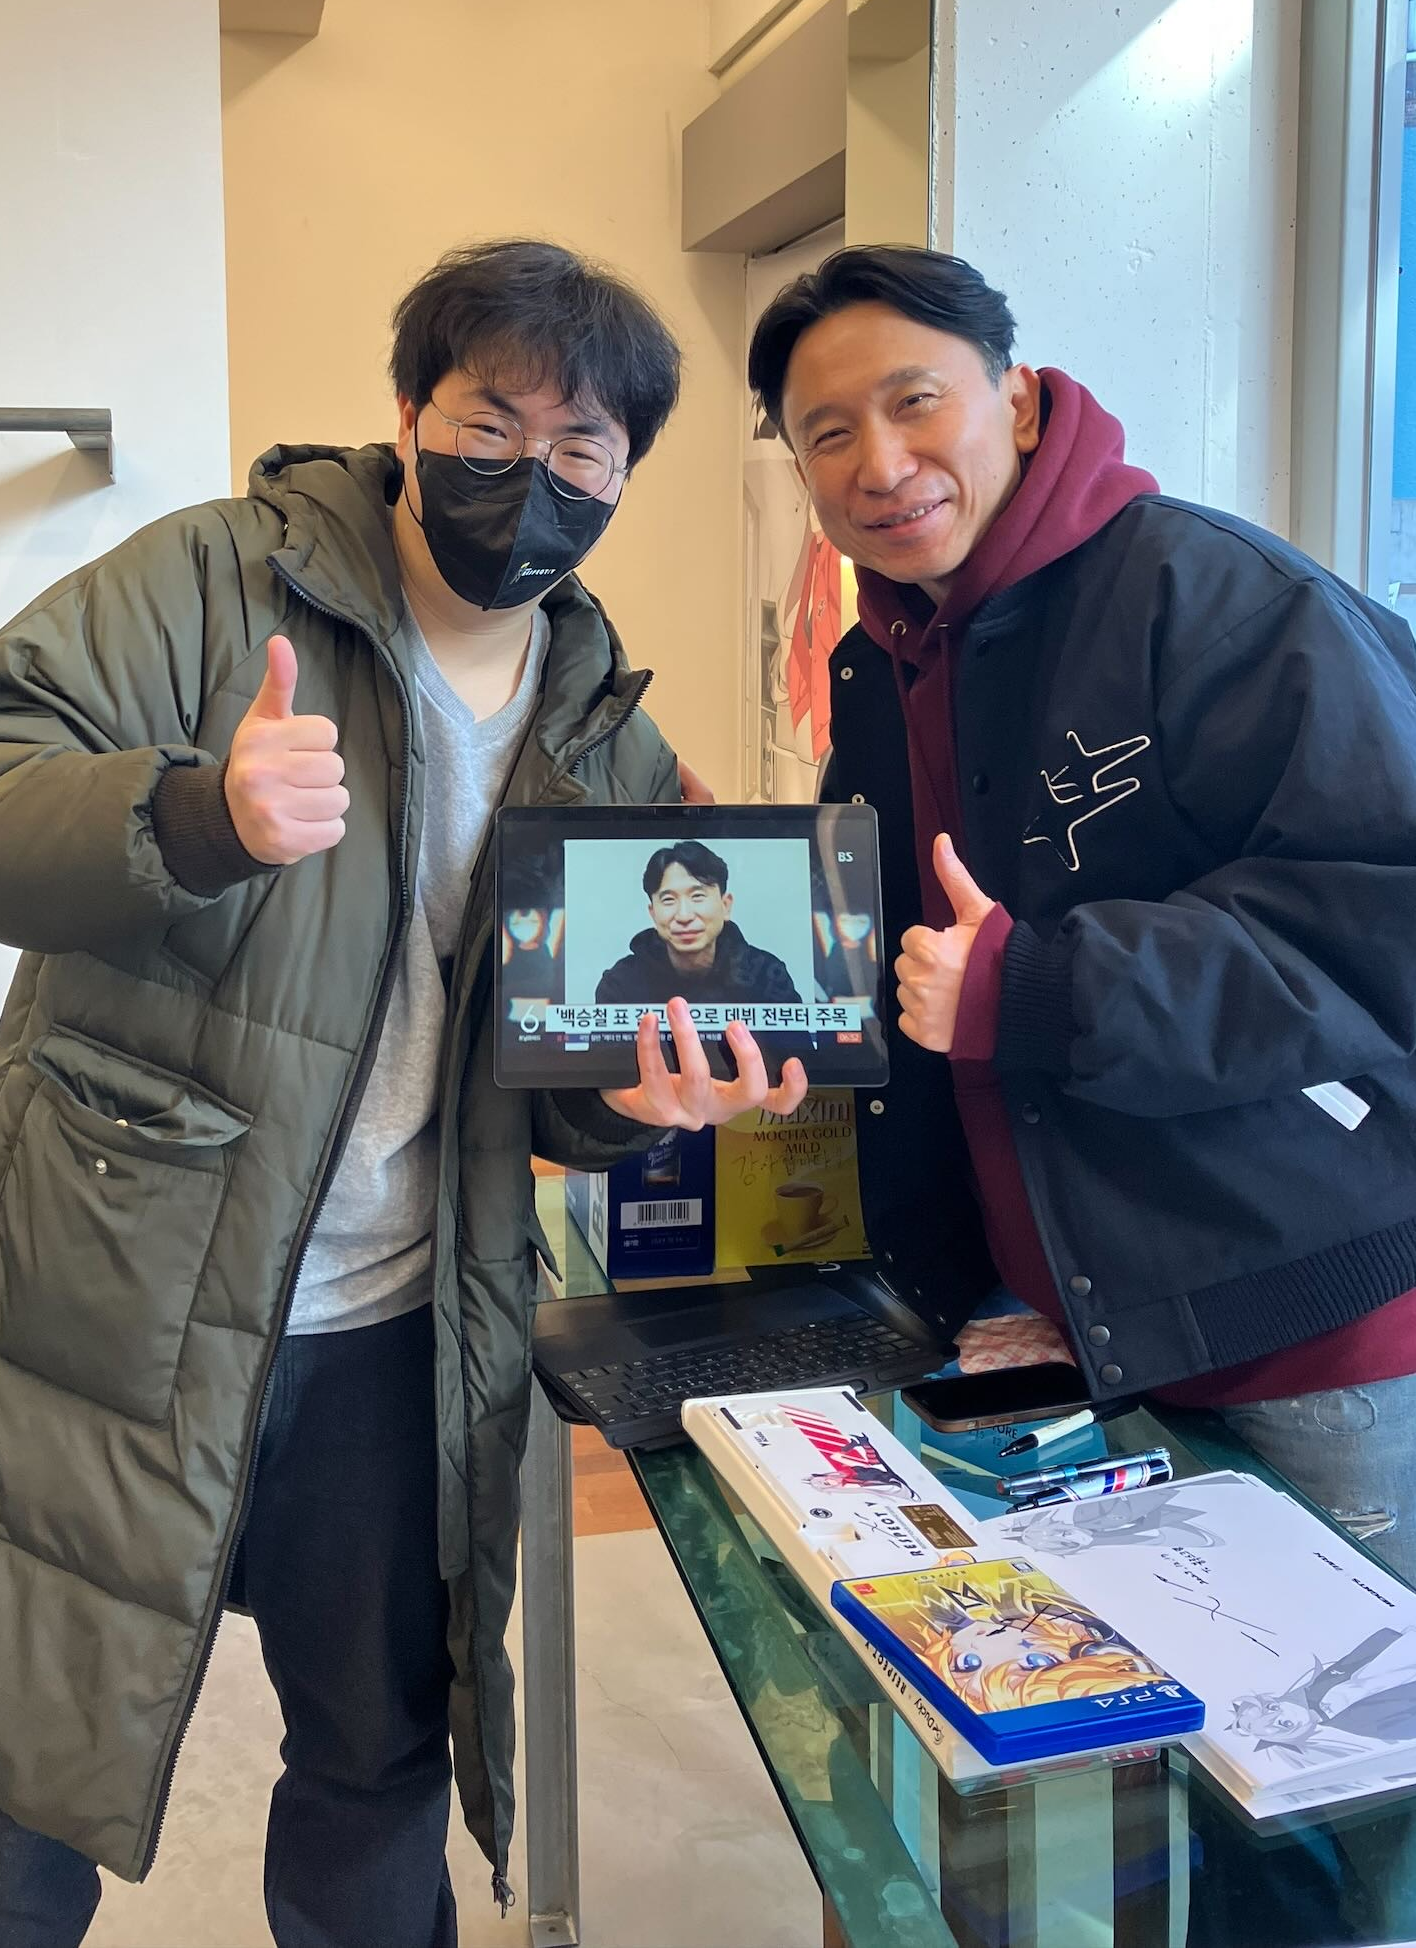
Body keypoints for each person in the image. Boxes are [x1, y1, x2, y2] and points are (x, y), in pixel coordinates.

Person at [0, 237, 806, 1948]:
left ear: (626, 472)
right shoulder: (211, 581)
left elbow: (548, 1077)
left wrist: (641, 1108)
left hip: (398, 1328)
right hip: (114, 1284)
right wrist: (197, 812)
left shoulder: (601, 723)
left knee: (378, 1758)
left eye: (582, 447)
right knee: (24, 1744)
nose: (532, 476)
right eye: (490, 424)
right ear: (407, 414)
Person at [748, 243, 1416, 1584]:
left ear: (1018, 401)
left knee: (1350, 1717)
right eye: (828, 433)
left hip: (1311, 1349)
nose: (881, 463)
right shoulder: (883, 657)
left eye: (915, 401)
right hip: (1079, 1328)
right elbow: (902, 960)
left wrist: (1036, 986)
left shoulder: (1214, 595)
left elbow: (1377, 919)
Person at [595, 839, 802, 1006]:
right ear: (653, 913)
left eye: (697, 896)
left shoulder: (766, 975)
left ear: (725, 905)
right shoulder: (620, 983)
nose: (684, 916)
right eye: (669, 900)